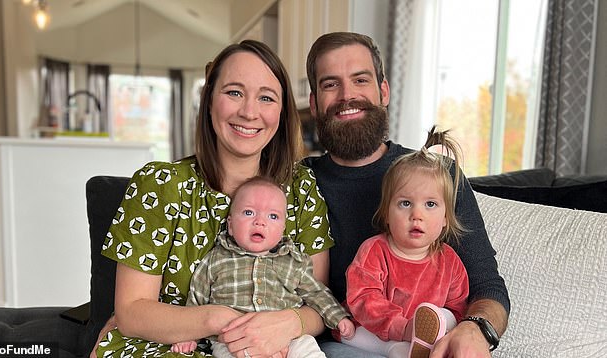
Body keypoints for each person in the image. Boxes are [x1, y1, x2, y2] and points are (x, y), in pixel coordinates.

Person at [93, 40, 336, 358]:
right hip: (166, 348)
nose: (249, 112)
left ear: (281, 112)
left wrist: (287, 323)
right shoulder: (160, 184)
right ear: (209, 102)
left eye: (266, 97)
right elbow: (132, 312)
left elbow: (317, 303)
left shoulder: (302, 189)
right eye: (234, 92)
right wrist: (219, 318)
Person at [302, 32, 510, 357]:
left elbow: (487, 285)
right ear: (314, 103)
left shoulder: (440, 176)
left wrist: (476, 329)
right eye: (331, 84)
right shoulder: (298, 183)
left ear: (383, 91)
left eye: (360, 79)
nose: (347, 95)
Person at [170, 176, 355, 357]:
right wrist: (188, 335)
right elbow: (197, 295)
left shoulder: (293, 262)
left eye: (273, 216)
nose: (260, 221)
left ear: (282, 229)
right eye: (249, 212)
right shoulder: (216, 259)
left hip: (287, 337)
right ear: (231, 225)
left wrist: (338, 317)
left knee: (307, 347)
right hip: (233, 339)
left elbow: (317, 293)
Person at [341, 127, 469, 358]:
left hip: (428, 329)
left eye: (430, 204)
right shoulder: (375, 251)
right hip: (374, 329)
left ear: (445, 220)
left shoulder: (449, 260)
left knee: (448, 316)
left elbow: (458, 306)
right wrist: (404, 328)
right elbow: (364, 300)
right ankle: (401, 350)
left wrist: (442, 323)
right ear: (387, 215)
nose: (416, 215)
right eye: (405, 204)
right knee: (350, 333)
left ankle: (424, 339)